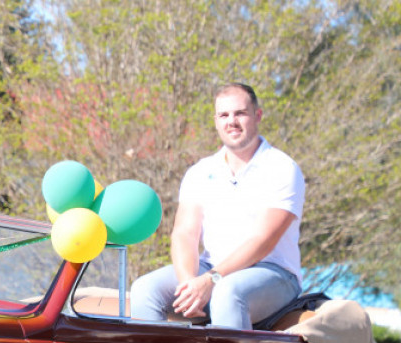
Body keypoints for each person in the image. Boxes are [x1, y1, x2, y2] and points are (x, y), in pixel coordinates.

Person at [130, 83, 305, 329]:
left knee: (227, 292)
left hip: (273, 273)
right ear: (216, 121)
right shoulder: (201, 171)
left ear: (258, 115)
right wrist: (189, 283)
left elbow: (263, 240)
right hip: (210, 270)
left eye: (240, 113)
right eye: (224, 115)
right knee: (144, 289)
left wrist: (211, 280)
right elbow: (184, 234)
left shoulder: (281, 168)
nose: (231, 121)